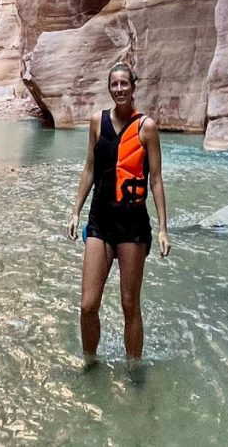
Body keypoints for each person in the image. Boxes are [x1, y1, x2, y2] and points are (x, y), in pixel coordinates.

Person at [67, 62, 170, 369]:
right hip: (100, 220)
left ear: (133, 87)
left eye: (125, 83)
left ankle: (133, 368)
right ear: (109, 88)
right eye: (115, 84)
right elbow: (89, 168)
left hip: (132, 224)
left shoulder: (146, 128)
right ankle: (90, 362)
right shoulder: (96, 122)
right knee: (88, 305)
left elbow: (156, 179)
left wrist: (163, 228)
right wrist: (75, 211)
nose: (120, 89)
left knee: (129, 304)